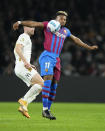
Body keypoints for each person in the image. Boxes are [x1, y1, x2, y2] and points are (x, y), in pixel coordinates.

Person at [13, 11, 98, 120]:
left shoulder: (66, 31)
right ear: (57, 18)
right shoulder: (48, 25)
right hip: (47, 55)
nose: (64, 21)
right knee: (47, 80)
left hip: (57, 59)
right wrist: (20, 22)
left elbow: (76, 39)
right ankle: (44, 110)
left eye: (65, 19)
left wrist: (88, 47)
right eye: (62, 18)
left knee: (54, 86)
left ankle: (46, 109)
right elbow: (34, 23)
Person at [14, 26, 44, 118]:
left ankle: (23, 106)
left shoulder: (26, 38)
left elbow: (21, 52)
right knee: (42, 83)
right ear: (25, 27)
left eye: (34, 27)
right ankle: (24, 101)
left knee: (41, 85)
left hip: (23, 66)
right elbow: (17, 49)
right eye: (31, 27)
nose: (33, 29)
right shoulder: (24, 36)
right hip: (22, 67)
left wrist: (29, 63)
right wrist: (26, 62)